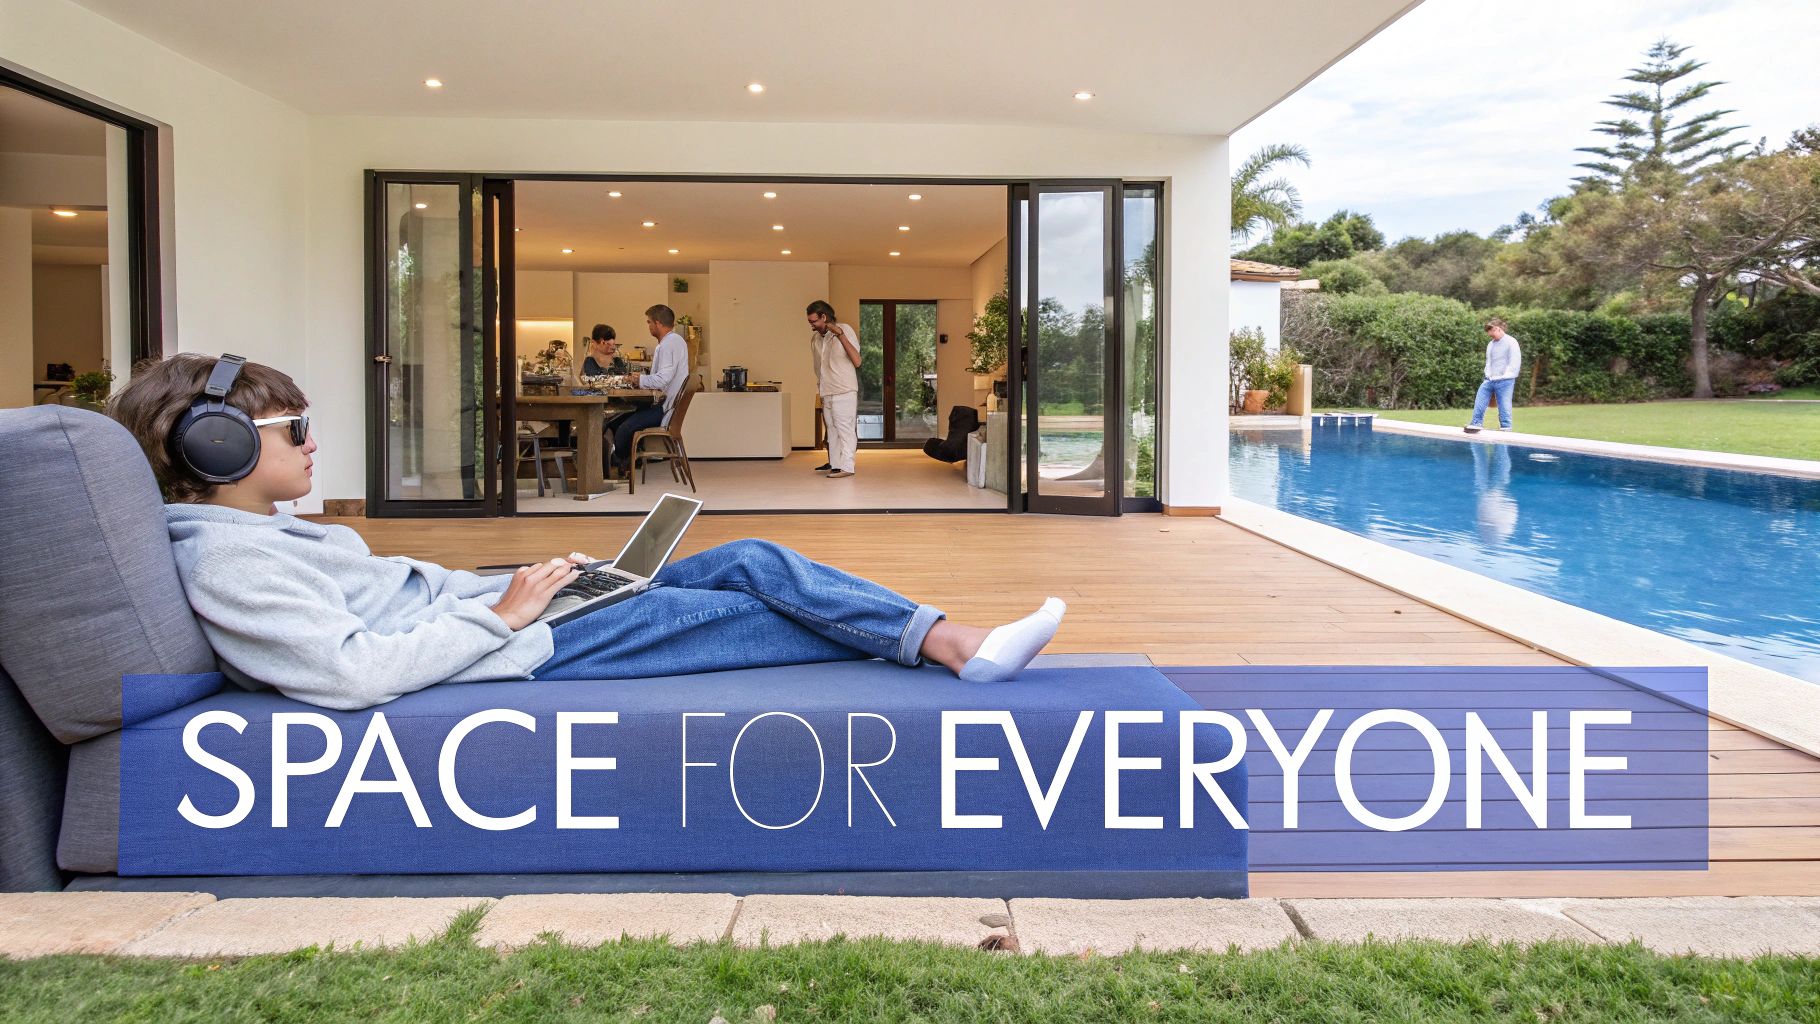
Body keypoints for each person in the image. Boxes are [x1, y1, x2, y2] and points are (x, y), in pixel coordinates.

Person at [106, 353, 1069, 712]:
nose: (316, 446)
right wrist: (510, 613)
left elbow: (391, 609)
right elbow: (350, 672)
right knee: (756, 577)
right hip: (521, 650)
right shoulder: (230, 561)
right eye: (296, 430)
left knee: (737, 561)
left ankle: (943, 643)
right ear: (220, 445)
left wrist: (515, 581)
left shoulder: (262, 541)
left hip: (516, 617)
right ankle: (956, 646)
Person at [606, 305, 688, 478]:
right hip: (666, 404)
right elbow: (663, 377)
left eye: (649, 322)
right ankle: (624, 464)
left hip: (664, 407)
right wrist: (643, 380)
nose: (649, 326)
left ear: (657, 323)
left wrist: (639, 380)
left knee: (623, 429)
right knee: (614, 422)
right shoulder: (676, 341)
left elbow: (663, 378)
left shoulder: (667, 345)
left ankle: (616, 463)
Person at [806, 299, 861, 478]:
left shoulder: (845, 329)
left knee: (844, 428)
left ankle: (847, 467)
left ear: (824, 316)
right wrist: (820, 392)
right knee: (831, 430)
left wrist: (840, 335)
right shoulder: (815, 339)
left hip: (844, 389)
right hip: (826, 390)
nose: (812, 326)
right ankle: (836, 465)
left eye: (814, 321)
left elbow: (857, 361)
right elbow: (819, 369)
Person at [1465, 318, 1521, 433]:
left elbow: (1514, 361)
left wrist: (1505, 376)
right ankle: (1476, 423)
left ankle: (1506, 427)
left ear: (1498, 329)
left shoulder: (1511, 342)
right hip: (1490, 379)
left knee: (1504, 403)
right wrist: (1488, 375)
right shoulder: (1491, 344)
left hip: (1505, 380)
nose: (1490, 335)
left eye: (1492, 333)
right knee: (1480, 397)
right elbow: (1489, 362)